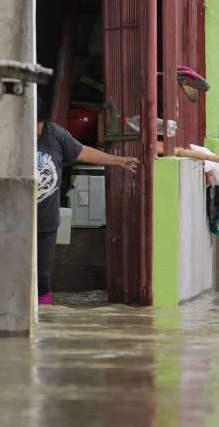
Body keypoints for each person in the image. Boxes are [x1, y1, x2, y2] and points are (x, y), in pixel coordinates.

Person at [36, 97, 138, 305]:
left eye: (37, 124)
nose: (35, 129)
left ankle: (42, 323)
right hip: (10, 222)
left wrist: (119, 161)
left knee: (41, 280)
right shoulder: (5, 135)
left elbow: (81, 151)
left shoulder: (55, 135)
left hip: (44, 223)